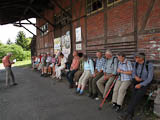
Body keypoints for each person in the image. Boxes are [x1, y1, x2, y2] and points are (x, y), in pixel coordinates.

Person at [118, 52, 153, 120]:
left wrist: (141, 84)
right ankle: (130, 114)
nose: (135, 58)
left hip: (144, 83)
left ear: (141, 58)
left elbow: (149, 78)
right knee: (134, 97)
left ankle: (126, 114)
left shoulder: (149, 65)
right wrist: (135, 77)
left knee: (136, 97)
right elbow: (133, 73)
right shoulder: (136, 64)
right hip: (136, 81)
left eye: (136, 57)